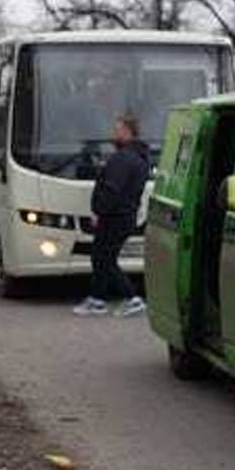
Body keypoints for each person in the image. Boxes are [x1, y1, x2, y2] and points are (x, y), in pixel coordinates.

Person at [74, 113, 151, 317]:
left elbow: (111, 189)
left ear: (127, 132)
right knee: (102, 257)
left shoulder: (122, 159)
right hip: (124, 216)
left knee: (104, 259)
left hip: (114, 217)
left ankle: (132, 298)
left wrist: (99, 211)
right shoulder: (139, 158)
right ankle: (97, 299)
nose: (113, 134)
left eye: (117, 130)